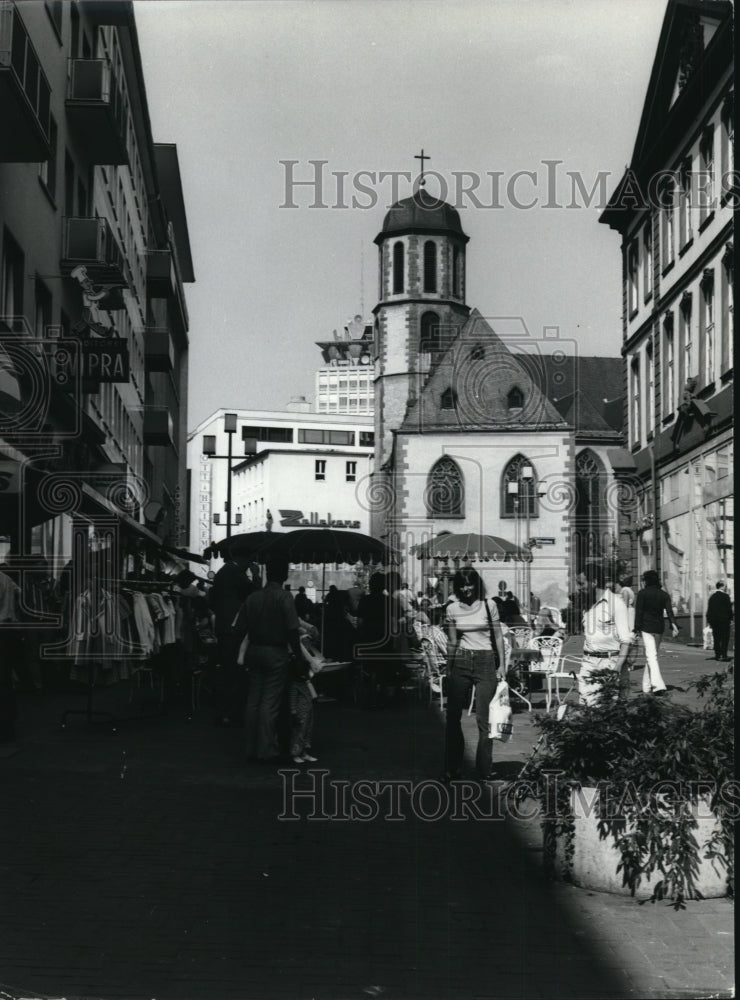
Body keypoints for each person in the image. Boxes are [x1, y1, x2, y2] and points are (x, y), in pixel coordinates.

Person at [444, 568, 506, 783]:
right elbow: (452, 640)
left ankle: (483, 769)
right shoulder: (452, 608)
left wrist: (502, 666)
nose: (466, 588)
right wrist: (448, 666)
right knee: (452, 717)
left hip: (485, 661)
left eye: (469, 584)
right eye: (461, 585)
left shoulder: (489, 605)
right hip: (461, 661)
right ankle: (453, 768)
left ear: (476, 584)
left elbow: (498, 636)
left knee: (484, 719)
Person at [243, 558, 308, 762]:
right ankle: (266, 749)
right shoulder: (284, 597)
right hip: (275, 652)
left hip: (254, 650)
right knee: (269, 703)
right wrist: (298, 656)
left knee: (253, 700)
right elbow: (292, 630)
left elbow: (240, 626)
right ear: (284, 575)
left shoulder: (253, 597)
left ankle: (250, 748)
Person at [207, 553, 256, 726]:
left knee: (226, 671)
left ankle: (222, 712)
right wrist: (255, 575)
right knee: (236, 671)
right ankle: (233, 712)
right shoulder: (236, 573)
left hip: (223, 627)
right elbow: (252, 593)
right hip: (234, 629)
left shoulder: (222, 573)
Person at [579, 563, 633, 705]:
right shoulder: (586, 604)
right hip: (588, 662)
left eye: (582, 583)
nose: (580, 587)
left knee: (606, 709)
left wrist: (617, 669)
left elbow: (626, 640)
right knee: (585, 704)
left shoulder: (616, 603)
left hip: (610, 663)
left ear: (594, 582)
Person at [633, 569, 679, 695]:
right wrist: (674, 625)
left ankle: (658, 686)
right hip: (659, 628)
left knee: (651, 656)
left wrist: (636, 628)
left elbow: (639, 612)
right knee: (652, 656)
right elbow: (669, 612)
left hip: (646, 628)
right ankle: (646, 687)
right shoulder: (664, 595)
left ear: (646, 581)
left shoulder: (642, 594)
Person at [706, 582, 733, 662]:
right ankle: (724, 655)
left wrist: (709, 621)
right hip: (724, 620)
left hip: (714, 621)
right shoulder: (725, 596)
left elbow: (709, 610)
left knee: (716, 637)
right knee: (725, 637)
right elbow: (729, 609)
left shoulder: (712, 597)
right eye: (725, 586)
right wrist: (731, 619)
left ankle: (717, 654)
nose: (726, 587)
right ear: (722, 587)